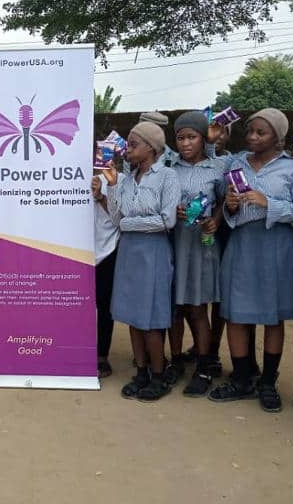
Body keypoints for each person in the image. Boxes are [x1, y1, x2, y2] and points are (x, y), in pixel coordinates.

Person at [208, 108, 293, 413]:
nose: (252, 137)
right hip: (242, 243)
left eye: (260, 132)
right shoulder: (236, 162)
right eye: (250, 131)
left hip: (275, 247)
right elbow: (211, 162)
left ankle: (267, 382)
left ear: (278, 137)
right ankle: (241, 378)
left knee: (272, 315)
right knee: (236, 313)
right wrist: (231, 206)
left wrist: (270, 204)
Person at [102, 122, 180, 402]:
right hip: (129, 254)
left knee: (151, 319)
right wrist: (112, 186)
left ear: (152, 148)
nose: (127, 148)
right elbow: (115, 219)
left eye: (134, 144)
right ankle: (142, 373)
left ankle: (159, 376)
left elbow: (166, 220)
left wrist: (129, 223)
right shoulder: (125, 179)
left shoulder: (167, 177)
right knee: (134, 318)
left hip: (153, 254)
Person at [170, 111, 226, 397]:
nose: (185, 144)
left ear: (204, 139)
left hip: (203, 244)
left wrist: (215, 219)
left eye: (192, 137)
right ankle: (176, 360)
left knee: (197, 307)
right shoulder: (170, 168)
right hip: (176, 243)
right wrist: (173, 210)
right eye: (180, 138)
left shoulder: (217, 170)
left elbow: (226, 203)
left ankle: (205, 365)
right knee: (176, 308)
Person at [91, 164, 122, 378]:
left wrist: (101, 196)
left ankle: (102, 355)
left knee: (104, 306)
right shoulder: (59, 177)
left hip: (106, 250)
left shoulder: (117, 179)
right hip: (71, 251)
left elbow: (119, 218)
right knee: (70, 304)